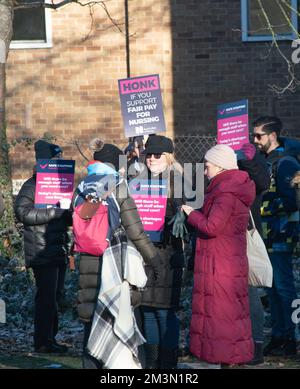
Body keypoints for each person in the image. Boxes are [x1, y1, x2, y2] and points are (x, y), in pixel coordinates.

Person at [73, 138, 162, 369]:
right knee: (116, 319)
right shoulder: (118, 185)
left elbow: (78, 222)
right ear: (114, 164)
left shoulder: (82, 186)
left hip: (88, 260)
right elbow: (136, 231)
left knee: (91, 324)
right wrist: (154, 260)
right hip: (114, 263)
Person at [182, 144, 255, 365]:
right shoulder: (230, 187)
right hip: (227, 261)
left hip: (219, 264)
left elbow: (213, 226)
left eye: (207, 166)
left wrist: (191, 214)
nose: (205, 171)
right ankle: (230, 359)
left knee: (220, 317)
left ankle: (224, 360)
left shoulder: (225, 192)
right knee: (230, 315)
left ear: (220, 167)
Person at [136, 134, 190, 369]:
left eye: (157, 155)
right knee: (147, 311)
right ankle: (152, 363)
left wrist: (180, 214)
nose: (152, 159)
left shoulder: (177, 181)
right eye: (149, 154)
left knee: (164, 313)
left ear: (167, 157)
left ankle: (167, 365)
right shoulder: (138, 180)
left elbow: (191, 213)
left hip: (168, 256)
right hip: (144, 255)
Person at [14, 140, 71, 353]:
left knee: (55, 297)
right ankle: (42, 342)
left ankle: (50, 338)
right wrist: (54, 213)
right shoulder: (32, 185)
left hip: (57, 249)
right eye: (55, 158)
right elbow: (23, 213)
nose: (59, 161)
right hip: (40, 250)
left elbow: (65, 215)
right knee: (46, 298)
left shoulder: (60, 186)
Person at [252, 116, 300, 356]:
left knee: (284, 287)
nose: (255, 140)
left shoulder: (285, 163)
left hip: (281, 234)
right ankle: (279, 334)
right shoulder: (264, 161)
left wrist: (261, 209)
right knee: (271, 288)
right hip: (266, 236)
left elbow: (291, 202)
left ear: (272, 135)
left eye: (259, 135)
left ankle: (292, 336)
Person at [237, 142, 271, 365]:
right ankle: (239, 345)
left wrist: (247, 159)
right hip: (225, 239)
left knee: (249, 294)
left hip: (245, 236)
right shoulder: (223, 157)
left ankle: (256, 345)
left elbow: (262, 183)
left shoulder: (251, 159)